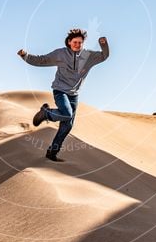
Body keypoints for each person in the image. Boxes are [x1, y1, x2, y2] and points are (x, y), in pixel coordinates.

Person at [18, 28, 110, 161]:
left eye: (80, 42)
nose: (77, 45)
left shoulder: (88, 56)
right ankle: (46, 113)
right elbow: (42, 60)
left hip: (74, 95)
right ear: (69, 42)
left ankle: (52, 154)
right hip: (60, 91)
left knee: (67, 125)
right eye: (75, 42)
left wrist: (103, 44)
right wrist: (25, 56)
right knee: (67, 114)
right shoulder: (60, 54)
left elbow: (104, 56)